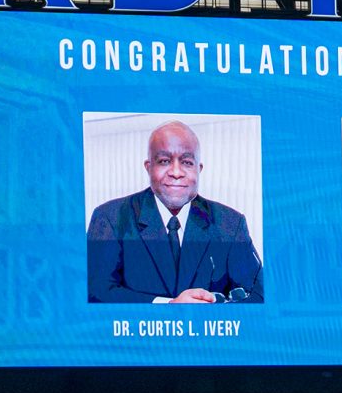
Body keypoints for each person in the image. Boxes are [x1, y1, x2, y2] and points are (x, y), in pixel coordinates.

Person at [86, 119, 264, 303]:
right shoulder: (110, 218)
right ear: (149, 168)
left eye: (187, 162)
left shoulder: (231, 224)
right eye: (164, 161)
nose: (176, 172)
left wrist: (214, 307)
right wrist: (168, 306)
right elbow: (95, 293)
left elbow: (258, 295)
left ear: (198, 169)